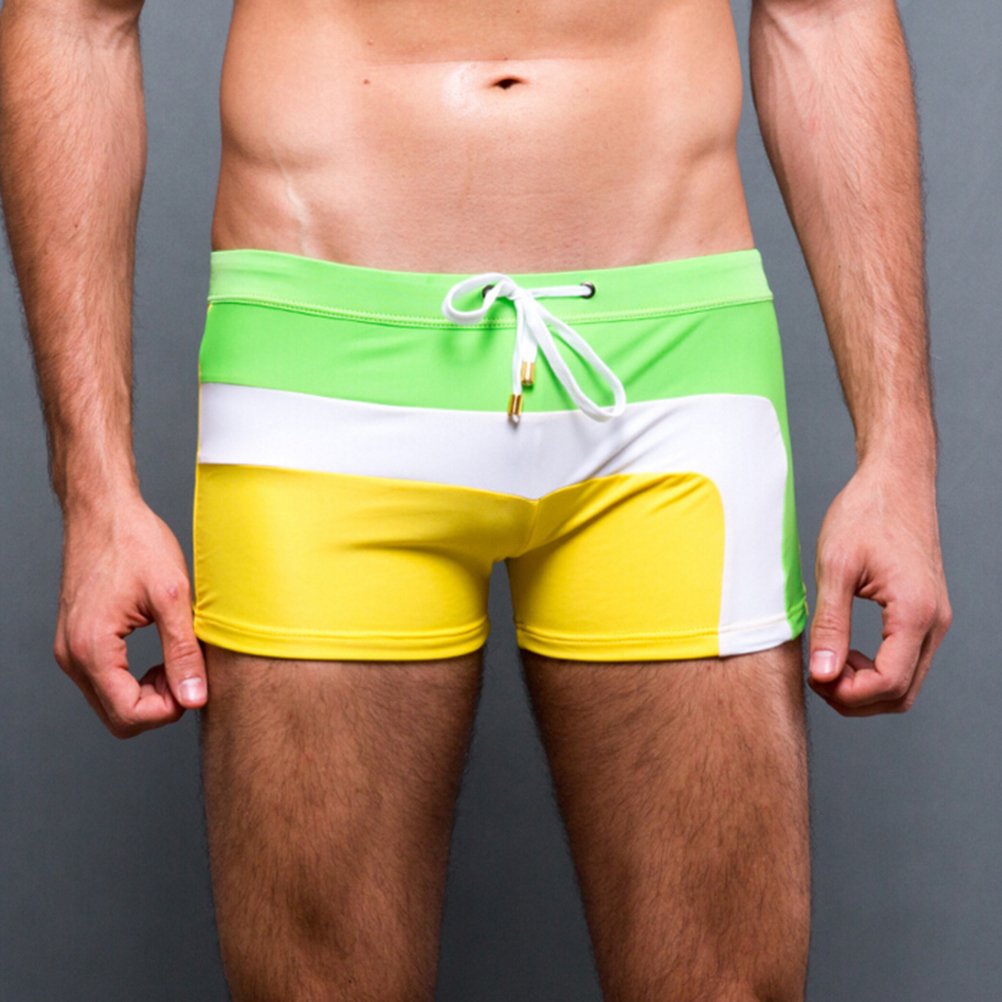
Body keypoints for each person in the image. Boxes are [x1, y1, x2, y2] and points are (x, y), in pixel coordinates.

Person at [0, 0, 952, 997]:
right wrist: (95, 490)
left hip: (674, 375)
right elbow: (73, 19)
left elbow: (826, 15)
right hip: (320, 370)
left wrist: (900, 451)